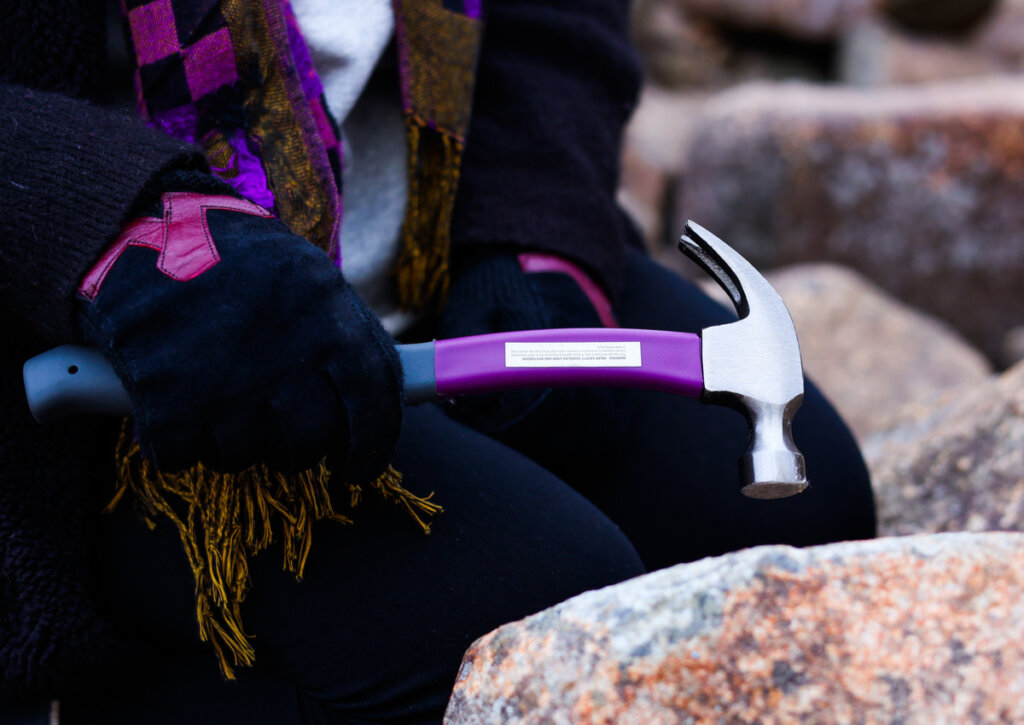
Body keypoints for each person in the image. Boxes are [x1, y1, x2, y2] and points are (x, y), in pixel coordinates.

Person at [0, 0, 875, 722]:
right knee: (521, 622)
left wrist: (538, 232)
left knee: (793, 507)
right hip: (108, 346)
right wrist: (113, 226)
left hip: (420, 236)